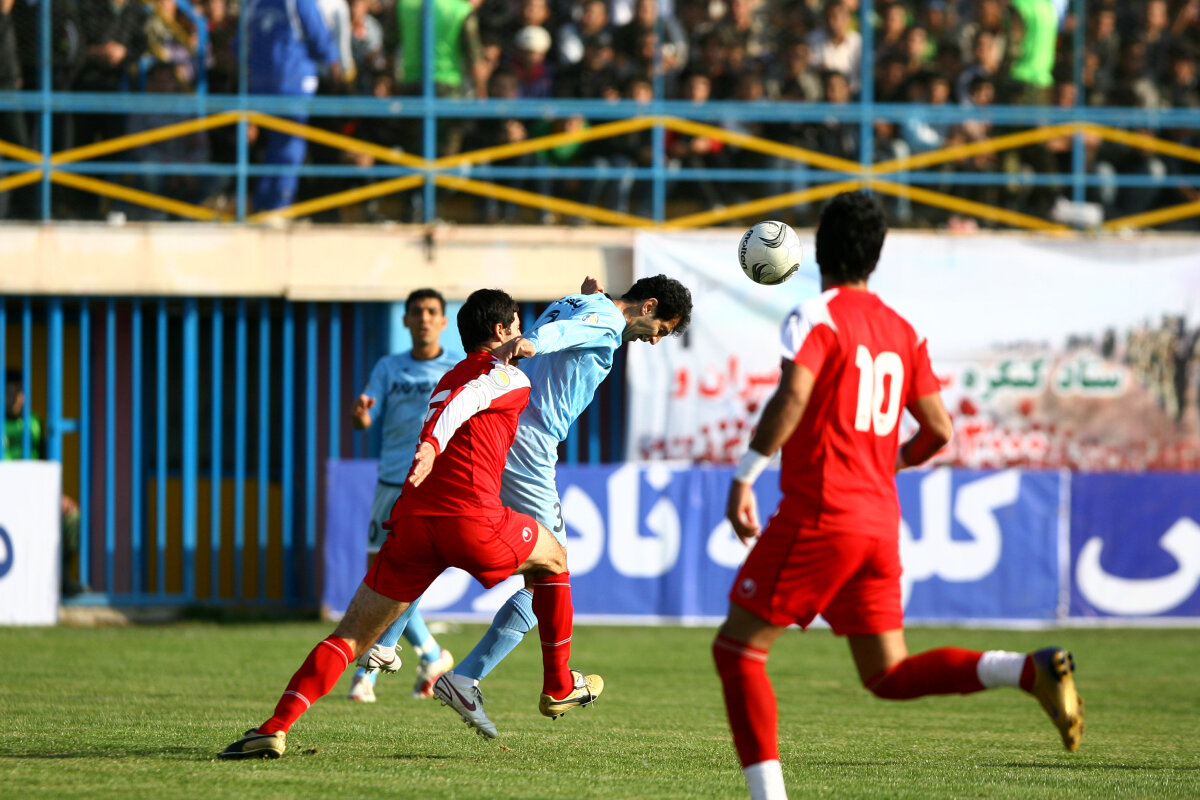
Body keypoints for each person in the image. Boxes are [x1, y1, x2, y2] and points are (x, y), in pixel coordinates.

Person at [711, 191, 1084, 800]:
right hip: (879, 520)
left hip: (823, 512)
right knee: (886, 673)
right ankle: (1027, 669)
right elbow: (939, 430)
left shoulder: (817, 316)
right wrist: (891, 460)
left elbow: (793, 396)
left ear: (819, 251)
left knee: (738, 651)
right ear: (876, 257)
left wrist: (745, 473)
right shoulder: (902, 330)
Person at [220, 289, 603, 760]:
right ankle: (559, 684)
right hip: (472, 520)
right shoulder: (504, 376)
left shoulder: (447, 374)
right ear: (502, 331)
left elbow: (456, 399)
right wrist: (431, 444)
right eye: (519, 326)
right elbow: (467, 399)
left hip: (416, 522)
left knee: (349, 635)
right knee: (554, 557)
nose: (524, 335)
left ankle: (274, 727)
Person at [407, 273, 693, 739]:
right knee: (551, 564)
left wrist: (591, 297)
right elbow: (561, 333)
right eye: (660, 329)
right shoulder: (605, 320)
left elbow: (576, 320)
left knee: (474, 553)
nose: (655, 340)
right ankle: (545, 684)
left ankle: (432, 660)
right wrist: (529, 343)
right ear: (649, 305)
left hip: (501, 431)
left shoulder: (583, 303)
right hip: (530, 445)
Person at [344, 288, 458, 703]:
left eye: (431, 312)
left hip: (430, 487)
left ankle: (367, 673)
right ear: (406, 321)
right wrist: (360, 415)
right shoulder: (388, 367)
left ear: (443, 321)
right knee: (377, 578)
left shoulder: (456, 368)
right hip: (390, 483)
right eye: (417, 312)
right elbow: (365, 418)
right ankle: (431, 653)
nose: (424, 318)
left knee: (400, 578)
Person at [4, 370, 86, 596]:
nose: (16, 398)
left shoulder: (35, 425)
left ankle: (61, 578)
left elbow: (47, 466)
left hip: (31, 497)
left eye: (20, 392)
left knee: (72, 516)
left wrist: (57, 496)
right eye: (10, 392)